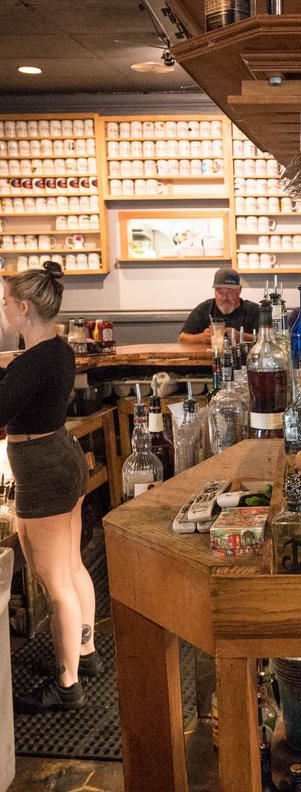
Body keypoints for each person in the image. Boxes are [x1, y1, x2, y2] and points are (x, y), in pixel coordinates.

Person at [4, 262, 101, 713]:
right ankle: (85, 651)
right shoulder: (58, 350)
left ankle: (67, 684)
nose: (4, 310)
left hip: (42, 469)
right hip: (63, 458)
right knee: (72, 564)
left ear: (24, 308)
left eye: (6, 303)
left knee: (55, 581)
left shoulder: (32, 361)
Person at [178, 267, 260, 343]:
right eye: (220, 292)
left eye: (229, 292)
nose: (224, 297)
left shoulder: (253, 311)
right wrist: (201, 338)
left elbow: (266, 339)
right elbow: (182, 338)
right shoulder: (204, 309)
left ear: (239, 290)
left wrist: (243, 337)